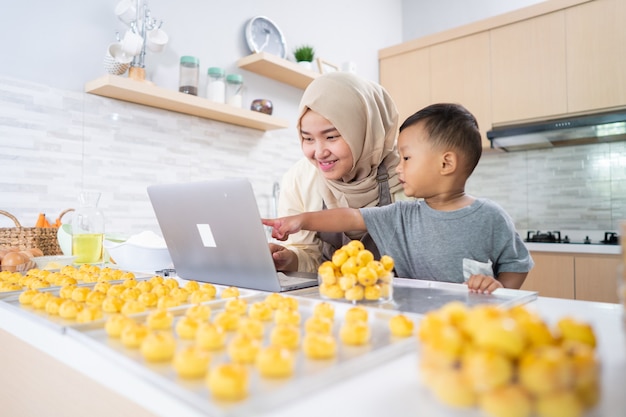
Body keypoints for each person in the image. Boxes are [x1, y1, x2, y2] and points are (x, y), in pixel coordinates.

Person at [264, 103, 534, 294]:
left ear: (446, 163)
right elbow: (350, 216)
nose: (398, 167)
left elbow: (517, 264)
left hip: (472, 325)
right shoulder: (403, 214)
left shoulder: (490, 217)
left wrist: (500, 290)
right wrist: (300, 220)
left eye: (406, 158)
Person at [269, 72, 408, 273]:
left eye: (331, 136)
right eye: (308, 139)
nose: (319, 153)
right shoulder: (298, 179)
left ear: (364, 130)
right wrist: (289, 259)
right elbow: (309, 257)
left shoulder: (408, 172)